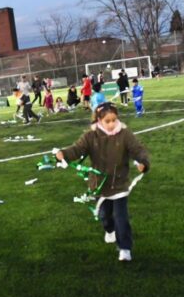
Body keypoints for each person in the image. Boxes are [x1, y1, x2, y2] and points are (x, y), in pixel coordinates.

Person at [55, 103, 150, 262]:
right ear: (99, 120)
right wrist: (64, 154)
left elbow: (137, 149)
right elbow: (77, 149)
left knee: (121, 217)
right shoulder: (90, 136)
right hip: (99, 185)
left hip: (119, 184)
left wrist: (143, 162)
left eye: (114, 120)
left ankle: (125, 248)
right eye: (108, 121)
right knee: (105, 216)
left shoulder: (124, 134)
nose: (112, 124)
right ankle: (109, 229)